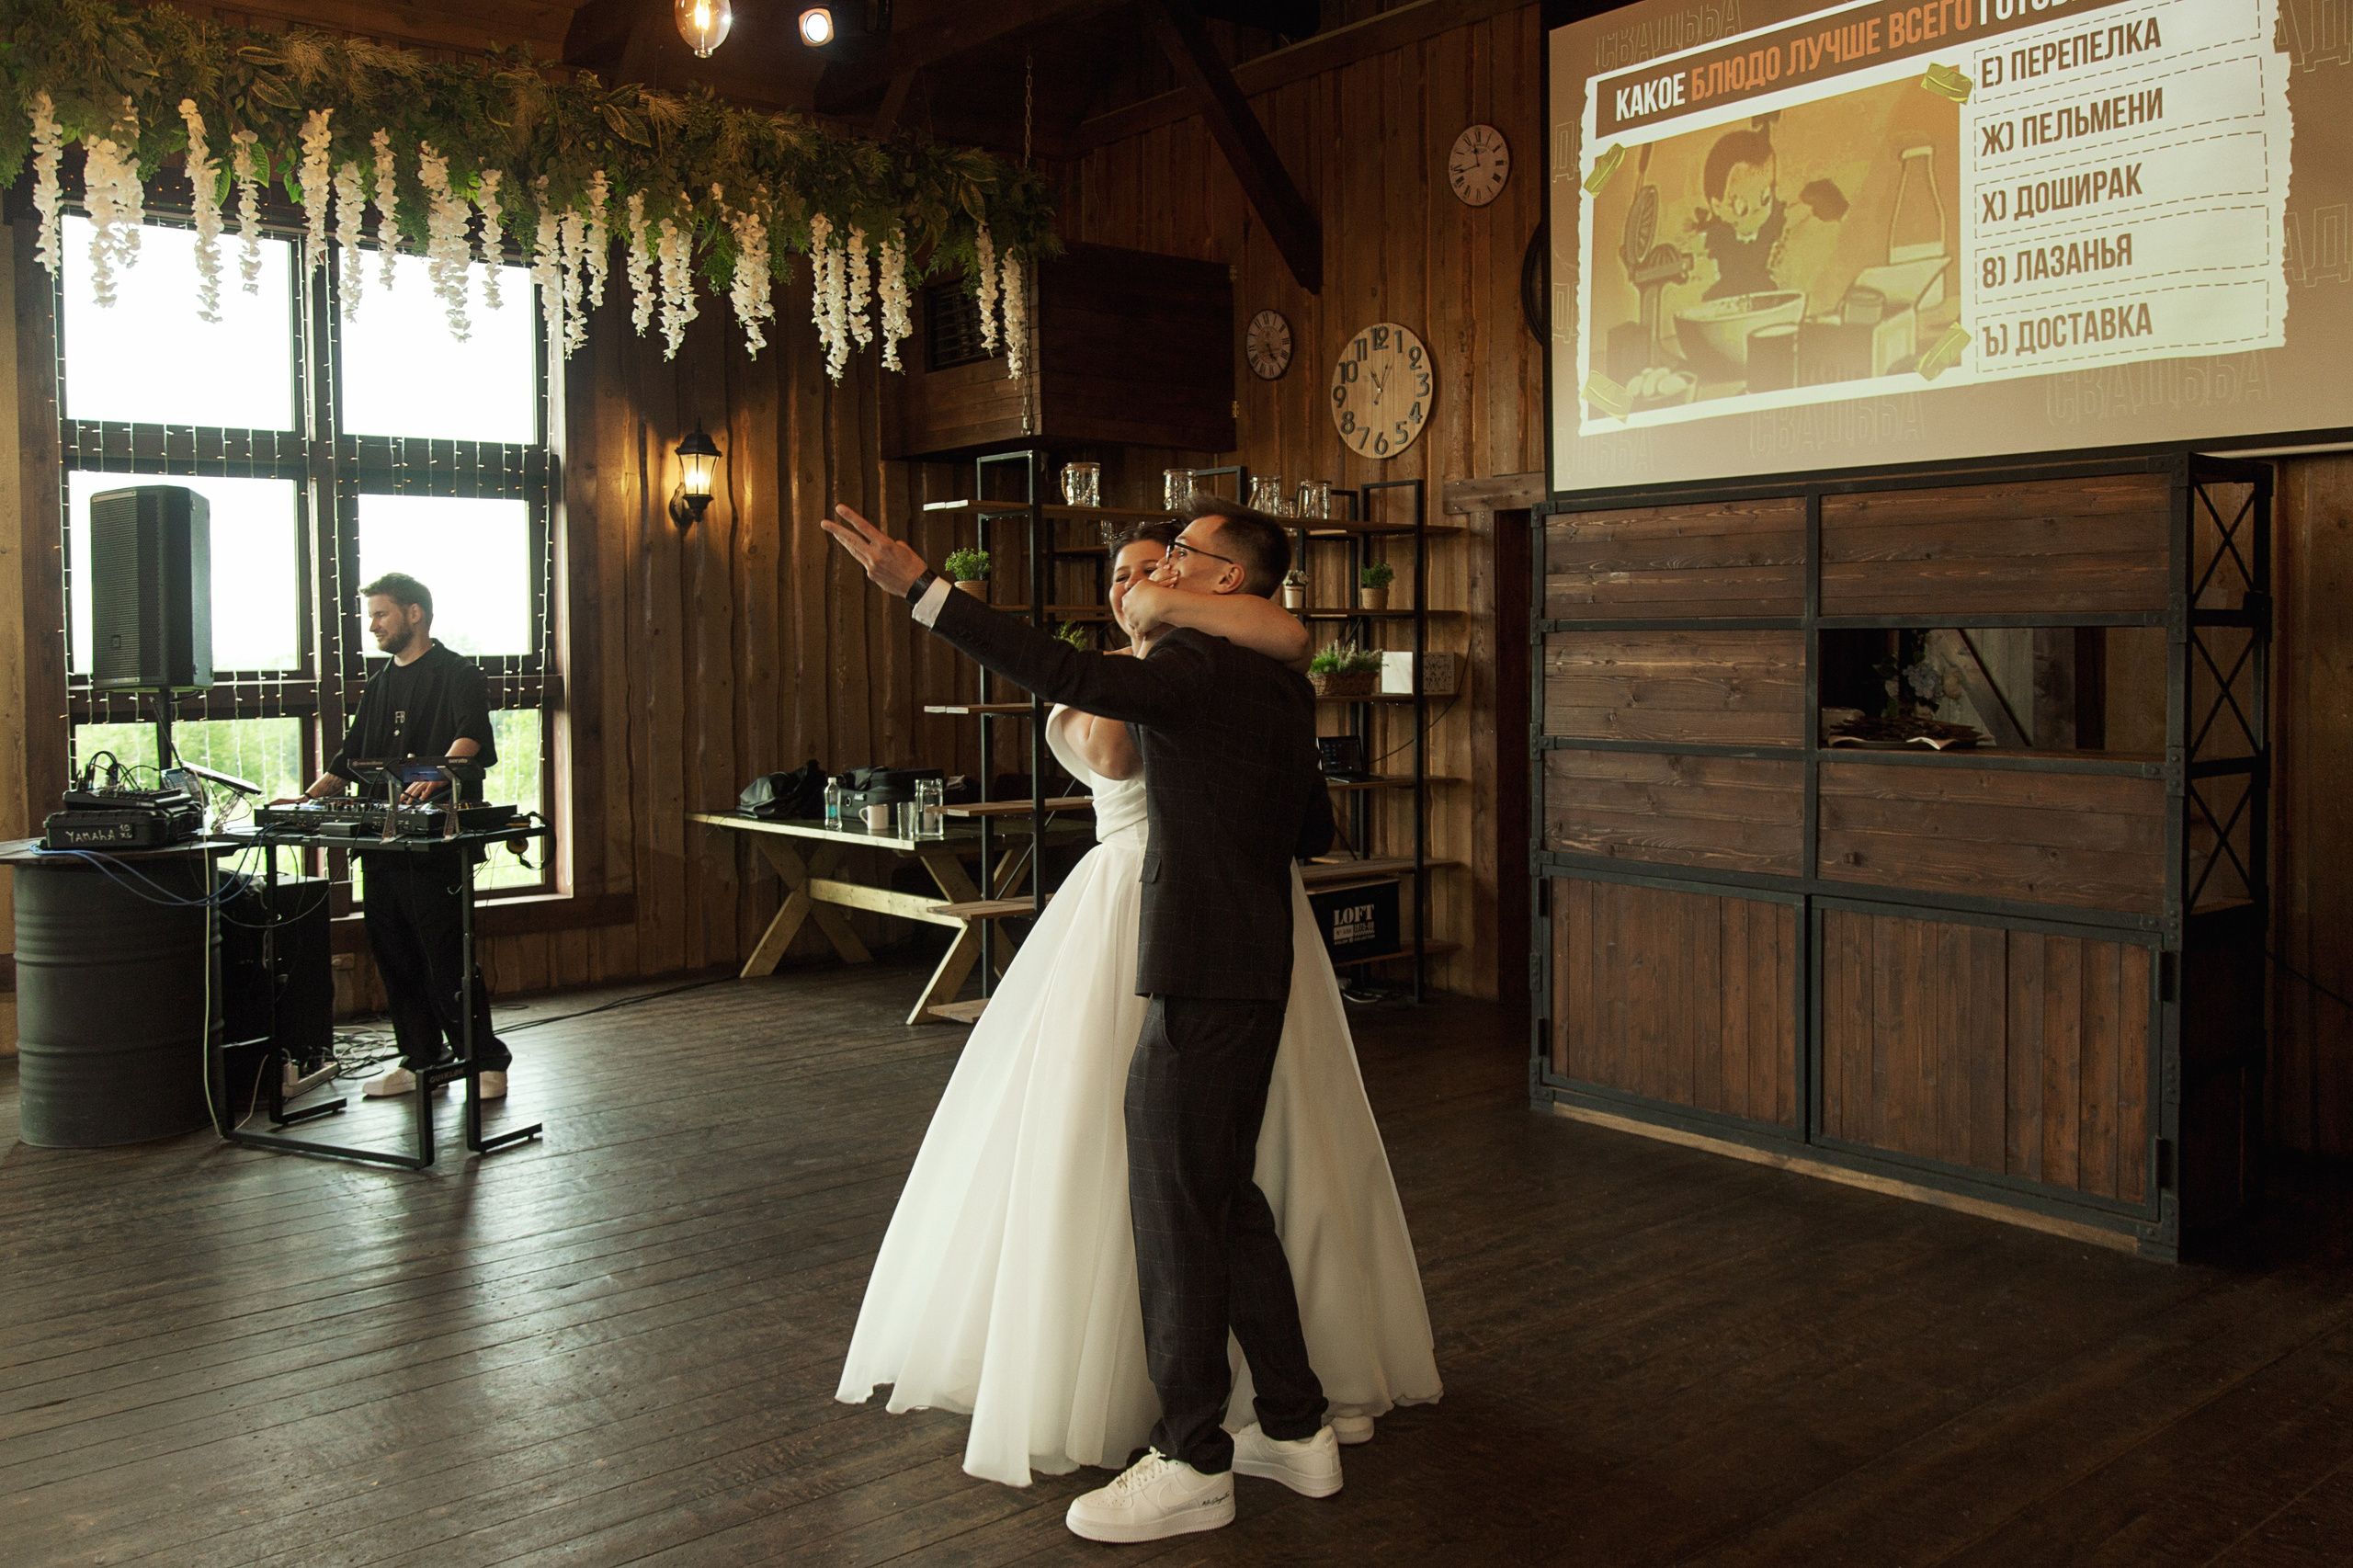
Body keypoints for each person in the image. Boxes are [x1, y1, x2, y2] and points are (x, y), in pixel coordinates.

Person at [825, 500, 1440, 1544]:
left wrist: (924, 590)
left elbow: (1082, 685)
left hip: (1200, 968)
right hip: (1253, 961)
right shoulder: (1275, 679)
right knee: (1224, 1196)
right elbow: (1309, 826)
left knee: (1171, 1212)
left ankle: (1193, 1455)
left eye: (1187, 554)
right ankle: (1292, 1424)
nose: (1164, 568)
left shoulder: (1201, 665)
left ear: (1225, 582)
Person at [279, 573, 513, 1101]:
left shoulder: (457, 672)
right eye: (371, 617)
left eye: (380, 614)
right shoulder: (382, 682)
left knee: (445, 954)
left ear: (414, 614)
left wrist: (441, 773)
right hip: (382, 841)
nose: (373, 626)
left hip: (437, 843)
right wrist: (307, 798)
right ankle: (421, 1059)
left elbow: (472, 734)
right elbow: (350, 753)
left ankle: (484, 1062)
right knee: (395, 953)